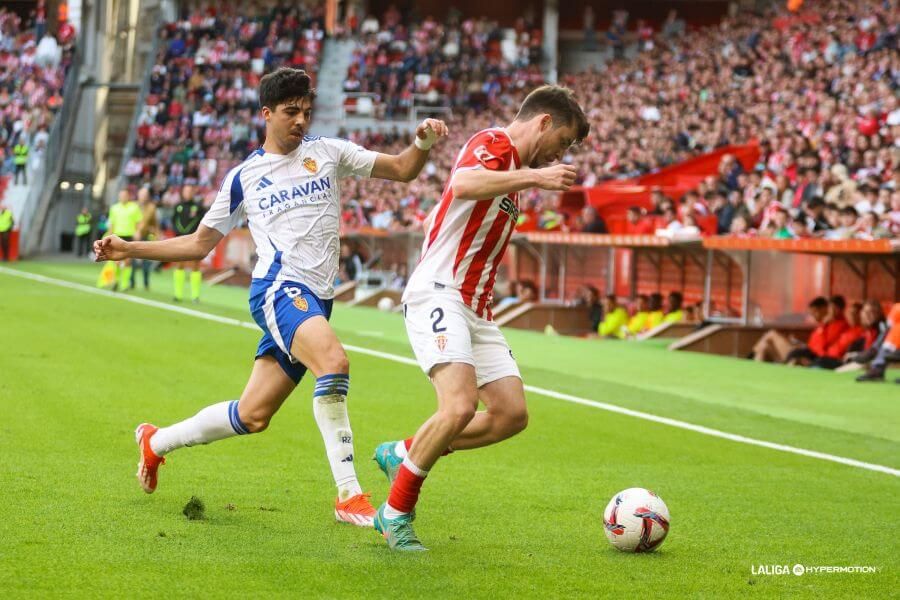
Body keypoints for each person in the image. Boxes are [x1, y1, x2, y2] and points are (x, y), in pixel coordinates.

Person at [95, 67, 449, 527]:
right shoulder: (244, 177)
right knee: (334, 362)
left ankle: (155, 442)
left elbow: (402, 169)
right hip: (279, 290)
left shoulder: (327, 153)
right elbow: (200, 244)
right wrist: (130, 248)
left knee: (253, 415)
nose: (300, 121)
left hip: (316, 300)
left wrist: (421, 142)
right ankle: (349, 495)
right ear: (266, 114)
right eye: (290, 112)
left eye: (305, 111)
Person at [371, 84, 588, 551]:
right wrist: (538, 179)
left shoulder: (516, 170)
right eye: (564, 142)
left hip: (477, 307)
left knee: (511, 415)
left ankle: (404, 452)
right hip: (440, 294)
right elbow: (464, 183)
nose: (560, 154)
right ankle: (395, 514)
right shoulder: (494, 142)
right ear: (544, 122)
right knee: (459, 406)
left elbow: (445, 214)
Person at [171, 185, 208, 302]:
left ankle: (195, 296)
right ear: (183, 192)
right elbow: (173, 220)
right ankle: (178, 294)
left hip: (194, 240)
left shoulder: (198, 207)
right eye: (185, 191)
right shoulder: (178, 206)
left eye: (190, 191)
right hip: (180, 240)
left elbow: (203, 222)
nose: (187, 193)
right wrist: (178, 233)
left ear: (193, 193)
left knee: (195, 266)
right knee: (179, 265)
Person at [103, 190, 143, 291]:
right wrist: (109, 236)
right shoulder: (114, 208)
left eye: (124, 195)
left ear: (128, 196)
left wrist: (138, 232)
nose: (122, 197)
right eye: (120, 196)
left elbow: (139, 222)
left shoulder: (134, 207)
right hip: (118, 236)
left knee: (128, 261)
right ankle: (116, 281)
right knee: (116, 261)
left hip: (129, 236)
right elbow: (112, 223)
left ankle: (124, 284)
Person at [135, 188, 160, 290]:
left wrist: (157, 234)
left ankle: (146, 283)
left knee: (146, 261)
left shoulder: (152, 207)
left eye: (145, 194)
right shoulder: (133, 206)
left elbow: (155, 224)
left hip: (146, 237)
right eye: (141, 194)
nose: (143, 196)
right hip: (133, 236)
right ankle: (131, 282)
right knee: (131, 261)